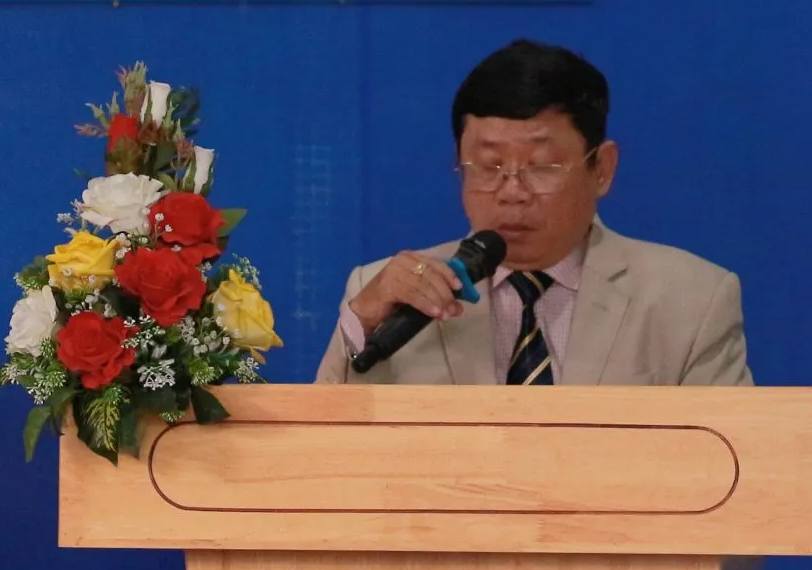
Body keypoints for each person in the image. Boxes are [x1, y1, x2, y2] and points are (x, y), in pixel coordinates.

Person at [315, 40, 752, 386]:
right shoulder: (393, 296)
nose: (512, 193)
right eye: (488, 167)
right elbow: (322, 448)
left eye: (541, 167)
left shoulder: (690, 302)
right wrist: (362, 321)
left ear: (602, 169)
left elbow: (731, 456)